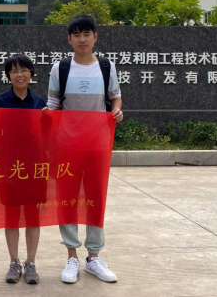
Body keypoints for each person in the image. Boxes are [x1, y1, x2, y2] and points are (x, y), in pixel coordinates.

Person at [46, 14, 124, 284]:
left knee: (95, 197)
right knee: (67, 197)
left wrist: (116, 111)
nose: (82, 39)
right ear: (69, 39)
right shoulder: (60, 68)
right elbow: (53, 104)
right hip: (67, 144)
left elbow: (115, 97)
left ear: (95, 37)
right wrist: (45, 116)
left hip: (98, 144)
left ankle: (93, 257)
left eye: (86, 34)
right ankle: (72, 256)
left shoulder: (106, 66)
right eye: (77, 35)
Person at [0, 54, 46, 285]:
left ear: (31, 73)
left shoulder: (41, 103)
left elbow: (48, 137)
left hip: (34, 167)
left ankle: (31, 262)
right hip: (8, 167)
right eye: (14, 71)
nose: (19, 74)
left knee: (33, 216)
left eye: (23, 70)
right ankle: (14, 262)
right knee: (11, 216)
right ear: (8, 76)